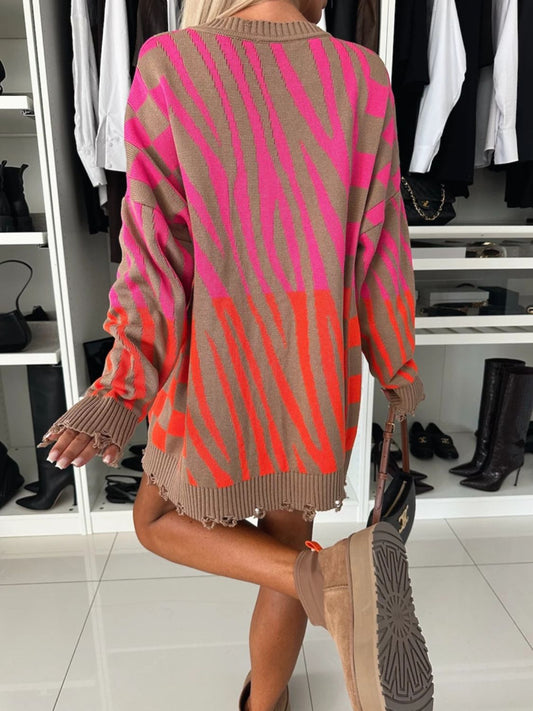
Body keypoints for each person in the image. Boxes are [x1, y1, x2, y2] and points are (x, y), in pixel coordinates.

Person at [38, 1, 433, 709]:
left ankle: (328, 586)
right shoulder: (360, 75)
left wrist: (122, 387)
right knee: (289, 543)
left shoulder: (172, 62)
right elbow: (382, 244)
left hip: (216, 365)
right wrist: (397, 367)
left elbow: (154, 251)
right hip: (315, 368)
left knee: (158, 521)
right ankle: (287, 663)